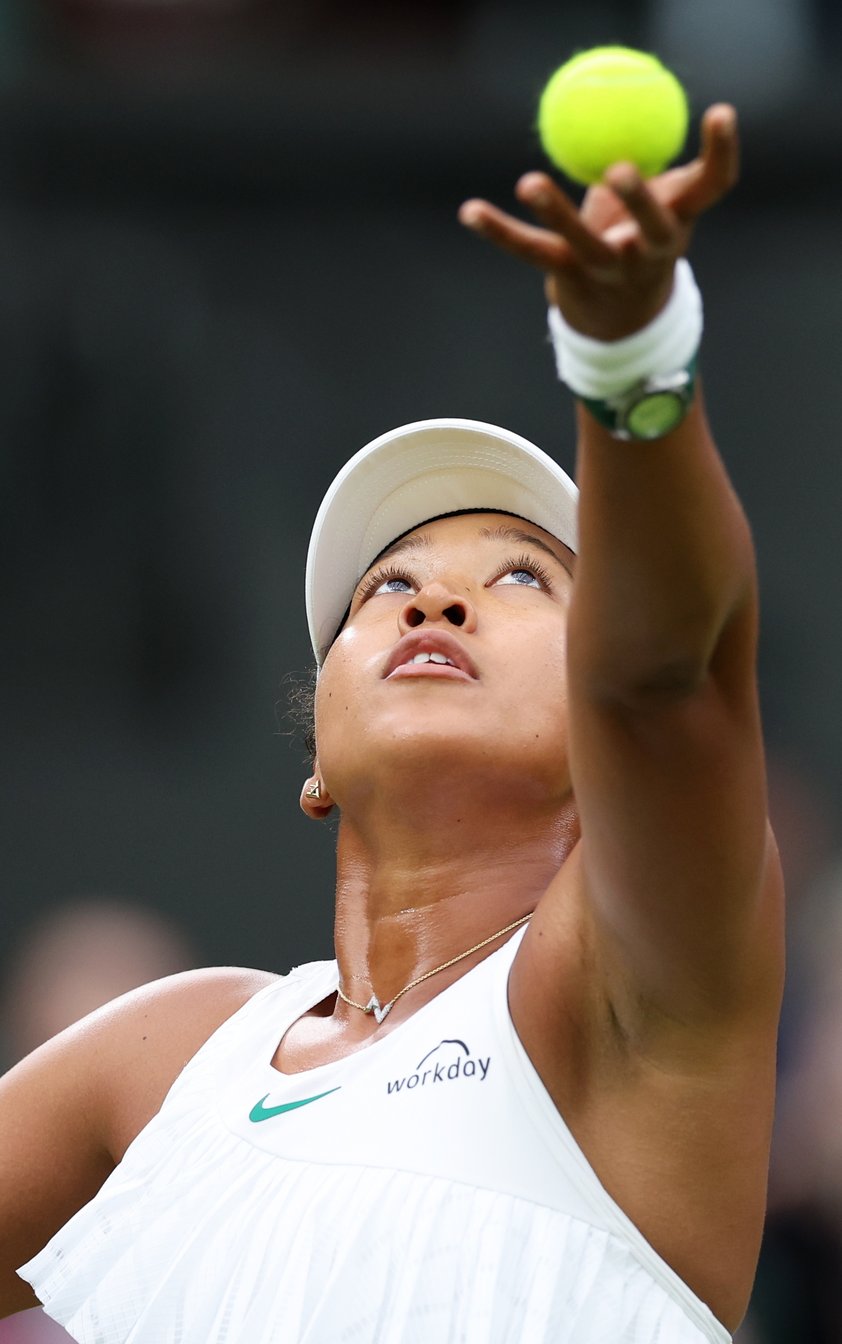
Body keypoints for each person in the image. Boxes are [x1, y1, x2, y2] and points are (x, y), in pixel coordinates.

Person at [0, 102, 784, 1343]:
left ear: (601, 744)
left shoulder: (623, 987)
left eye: (523, 577)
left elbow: (670, 677)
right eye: (384, 588)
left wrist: (628, 359)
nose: (436, 592)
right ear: (315, 759)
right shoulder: (174, 1054)